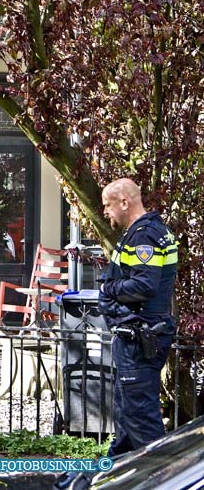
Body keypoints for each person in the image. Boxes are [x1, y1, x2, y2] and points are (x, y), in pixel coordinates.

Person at [98, 178, 178, 457]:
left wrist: (108, 288)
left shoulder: (145, 236)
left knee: (141, 421)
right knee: (127, 416)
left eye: (108, 205)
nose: (105, 212)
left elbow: (145, 285)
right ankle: (114, 472)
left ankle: (163, 478)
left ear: (124, 202)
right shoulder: (147, 232)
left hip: (139, 337)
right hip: (137, 336)